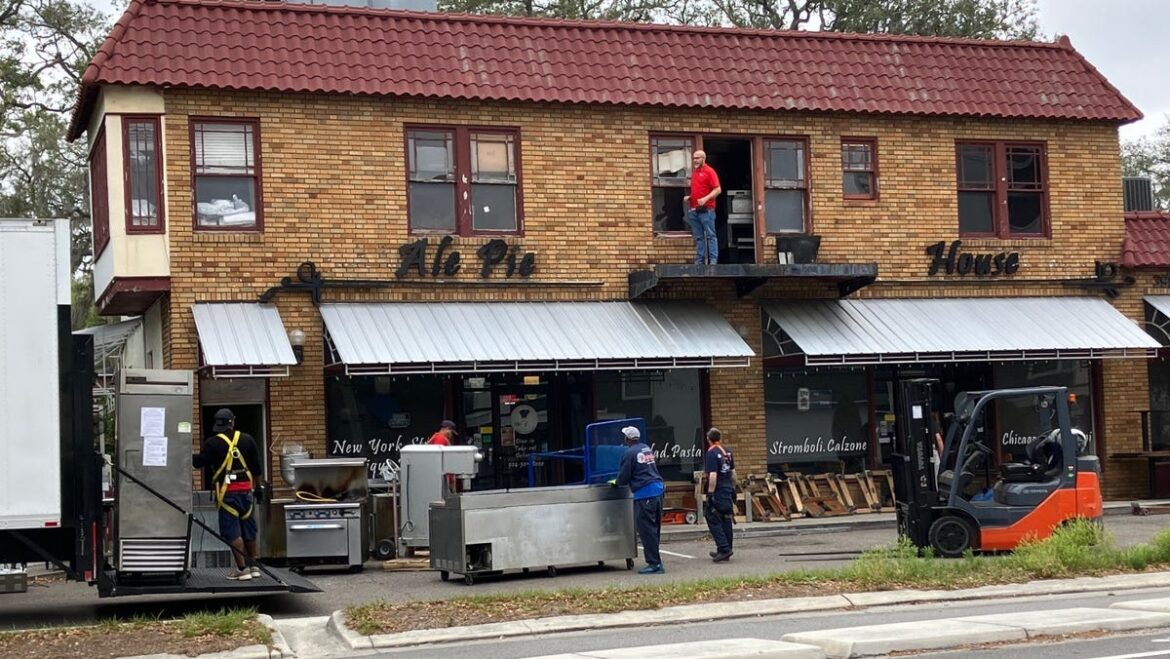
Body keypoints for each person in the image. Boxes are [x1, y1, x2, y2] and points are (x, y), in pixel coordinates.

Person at [193, 408, 263, 581]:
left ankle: (241, 569)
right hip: (247, 491)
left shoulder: (212, 443)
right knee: (248, 528)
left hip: (227, 493)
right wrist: (259, 488)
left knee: (232, 531)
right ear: (233, 421)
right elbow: (256, 466)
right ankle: (253, 566)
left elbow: (199, 463)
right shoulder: (248, 440)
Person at [610, 426, 666, 575]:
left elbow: (623, 477)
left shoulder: (629, 453)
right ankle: (656, 561)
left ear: (627, 439)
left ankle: (655, 564)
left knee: (647, 530)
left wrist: (616, 482)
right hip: (658, 491)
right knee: (655, 529)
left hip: (645, 494)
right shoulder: (646, 448)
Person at [683, 150, 721, 265]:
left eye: (697, 158)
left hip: (707, 209)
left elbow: (718, 189)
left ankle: (713, 260)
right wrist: (690, 197)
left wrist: (705, 199)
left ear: (703, 159)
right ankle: (699, 261)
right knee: (699, 237)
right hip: (694, 209)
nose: (695, 160)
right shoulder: (695, 173)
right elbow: (699, 190)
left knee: (710, 235)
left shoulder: (709, 171)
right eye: (694, 158)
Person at [703, 427, 736, 562]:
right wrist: (733, 488)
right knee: (726, 517)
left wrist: (710, 493)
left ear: (708, 439)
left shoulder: (711, 453)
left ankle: (723, 548)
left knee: (712, 516)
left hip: (718, 490)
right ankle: (727, 548)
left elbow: (713, 475)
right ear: (720, 438)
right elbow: (733, 472)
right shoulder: (727, 452)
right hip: (727, 487)